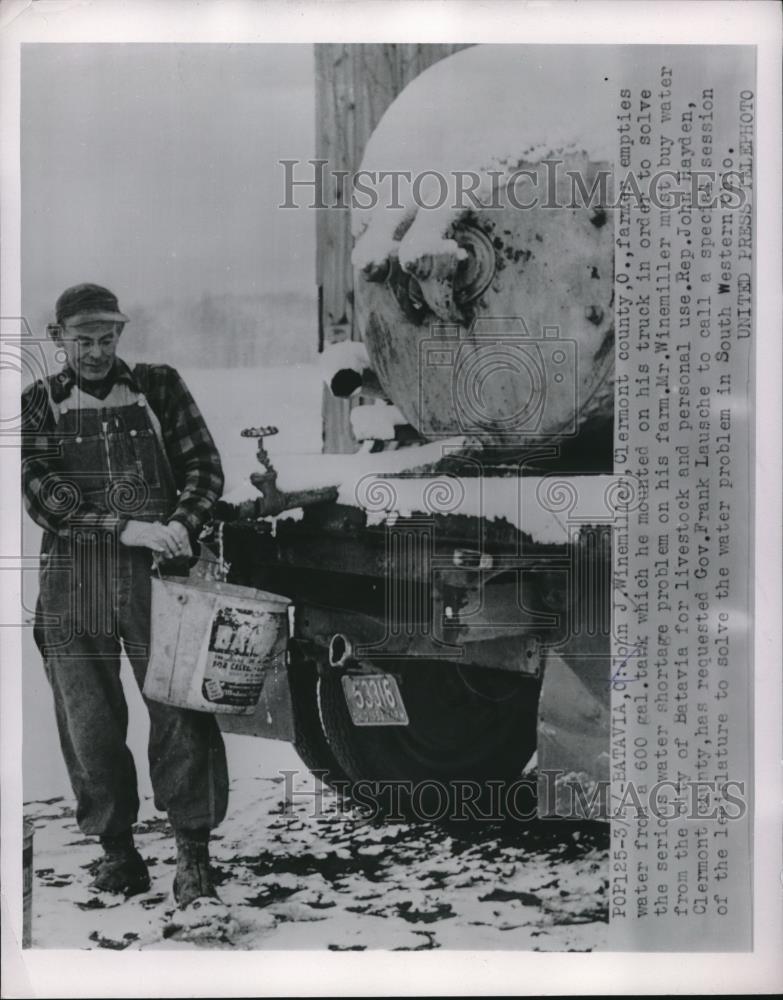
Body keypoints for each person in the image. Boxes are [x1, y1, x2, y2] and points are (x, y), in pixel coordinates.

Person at [22, 283, 229, 907]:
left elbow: (205, 466)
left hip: (157, 579)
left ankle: (193, 855)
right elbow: (42, 495)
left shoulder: (159, 387)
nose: (95, 352)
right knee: (88, 721)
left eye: (106, 338)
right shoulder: (39, 404)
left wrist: (182, 523)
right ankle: (118, 850)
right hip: (75, 582)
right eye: (82, 339)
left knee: (180, 712)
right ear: (59, 339)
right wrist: (121, 527)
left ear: (121, 334)